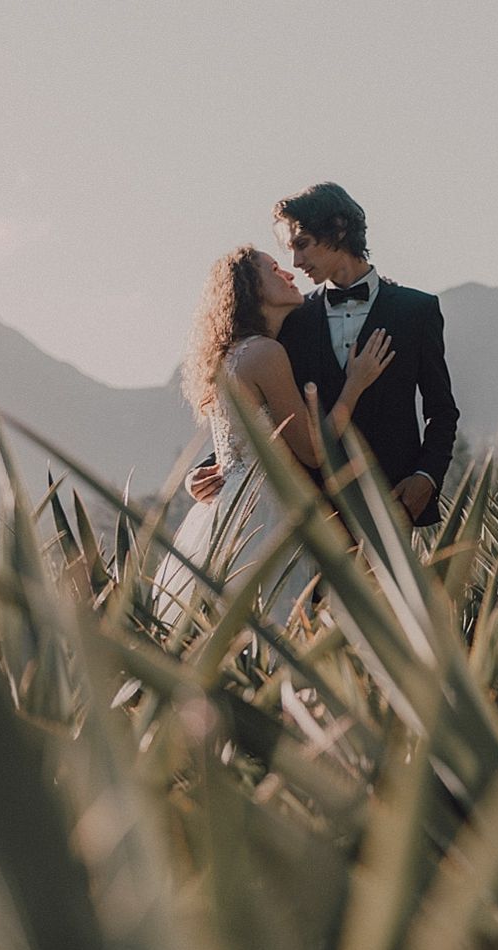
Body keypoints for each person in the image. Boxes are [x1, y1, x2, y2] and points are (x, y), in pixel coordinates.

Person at [158, 245, 394, 621]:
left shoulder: (230, 356)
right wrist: (356, 383)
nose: (289, 273)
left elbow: (235, 450)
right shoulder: (265, 354)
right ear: (251, 289)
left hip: (226, 509)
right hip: (267, 513)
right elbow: (314, 451)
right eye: (274, 269)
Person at [266, 180, 458, 526]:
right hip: (315, 517)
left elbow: (442, 411)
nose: (296, 262)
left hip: (394, 505)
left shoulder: (417, 310)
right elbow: (267, 407)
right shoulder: (293, 320)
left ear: (338, 230)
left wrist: (426, 477)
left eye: (303, 245)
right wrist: (212, 464)